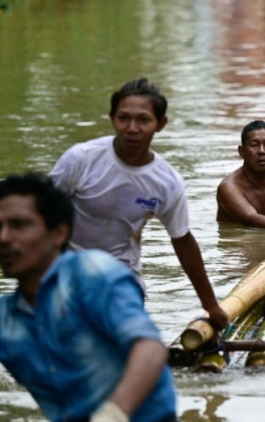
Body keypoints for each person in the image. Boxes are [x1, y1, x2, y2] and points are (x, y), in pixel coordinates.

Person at [0, 173, 177, 422]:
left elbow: (150, 348)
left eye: (19, 225)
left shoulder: (91, 274)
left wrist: (113, 414)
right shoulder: (1, 319)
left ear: (58, 233)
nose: (3, 239)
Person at [48, 78, 229, 330]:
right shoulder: (81, 159)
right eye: (124, 118)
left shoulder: (167, 182)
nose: (132, 128)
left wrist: (211, 306)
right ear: (112, 118)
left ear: (160, 124)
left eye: (143, 120)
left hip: (121, 277)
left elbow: (182, 240)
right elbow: (39, 213)